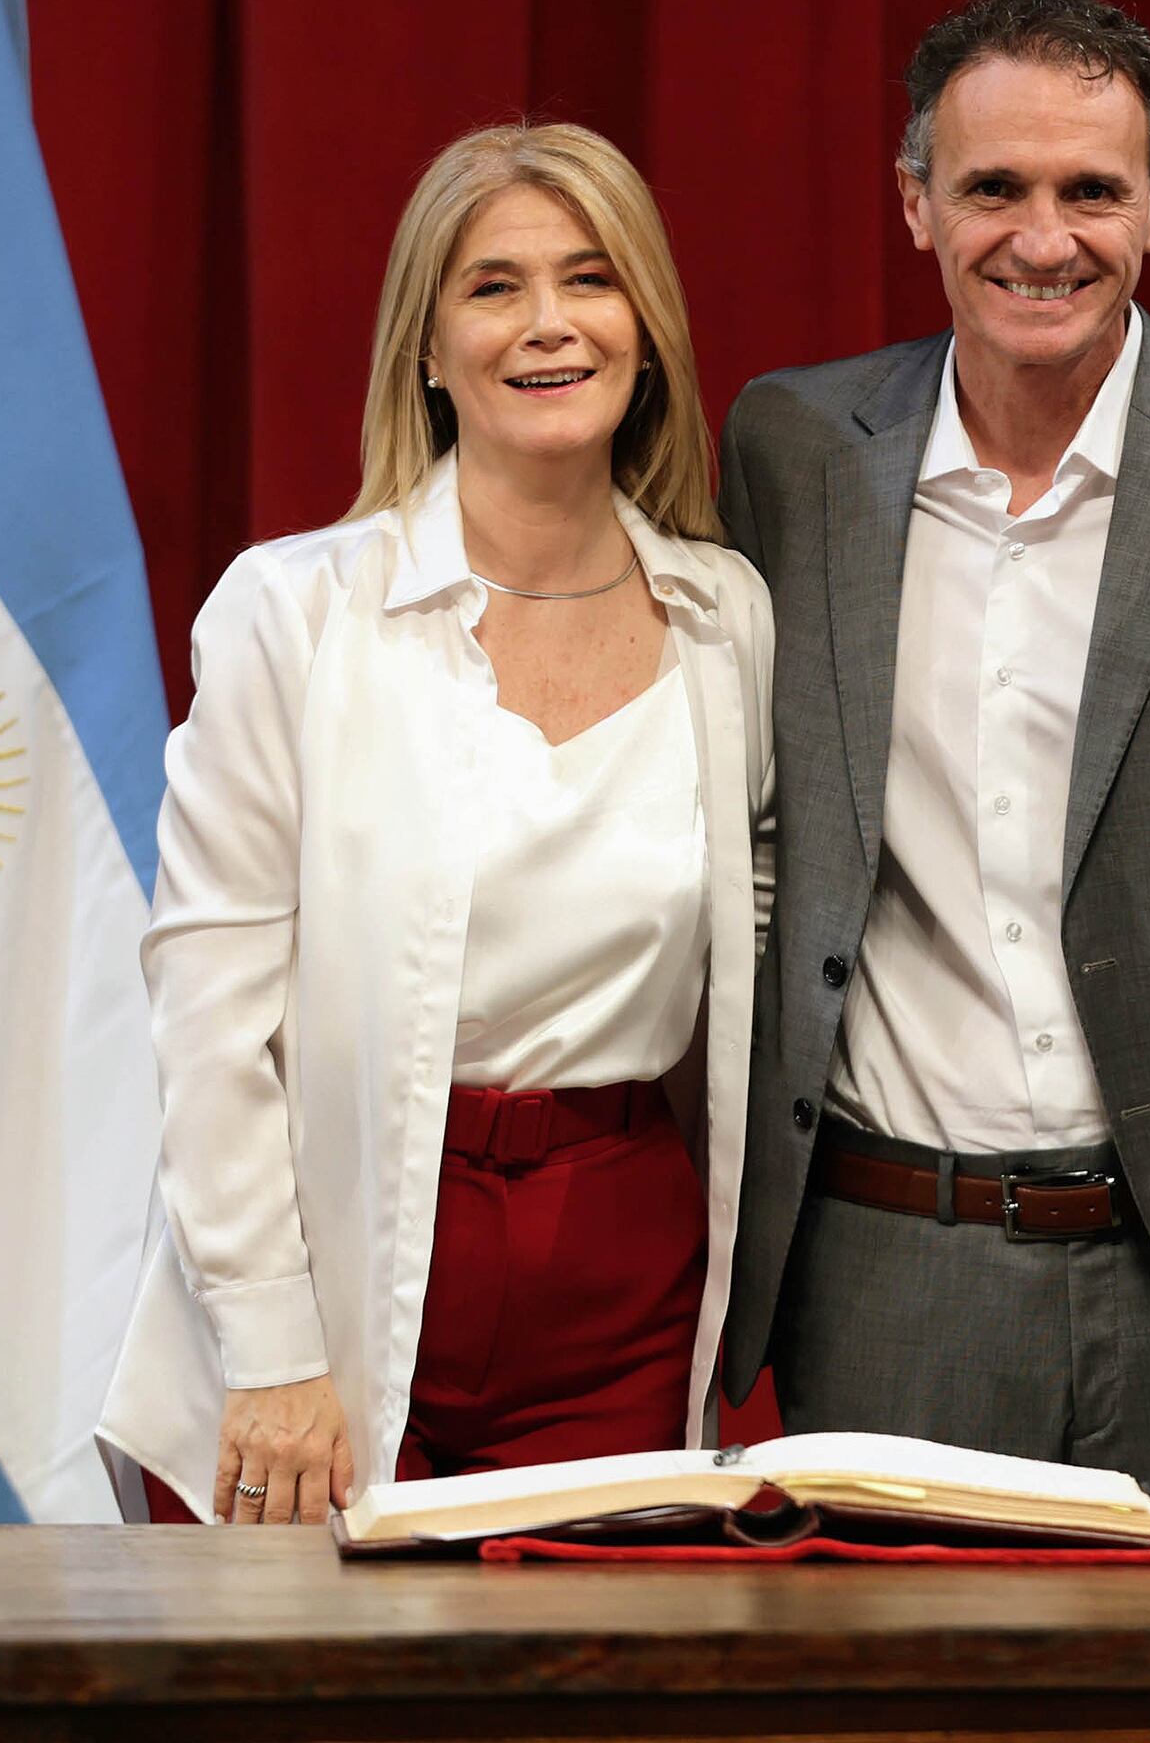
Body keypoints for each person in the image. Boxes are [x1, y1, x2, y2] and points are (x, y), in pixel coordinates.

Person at [715, 0, 1150, 1481]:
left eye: (1091, 190)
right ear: (915, 204)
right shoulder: (791, 452)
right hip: (889, 1267)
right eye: (994, 190)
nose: (1043, 239)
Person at [97, 122, 774, 1524]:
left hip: (618, 1277)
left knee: (583, 1659)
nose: (548, 323)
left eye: (590, 278)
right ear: (426, 345)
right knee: (321, 1655)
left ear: (646, 327)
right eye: (494, 286)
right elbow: (209, 1010)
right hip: (341, 1253)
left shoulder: (729, 618)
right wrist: (273, 1348)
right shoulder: (295, 612)